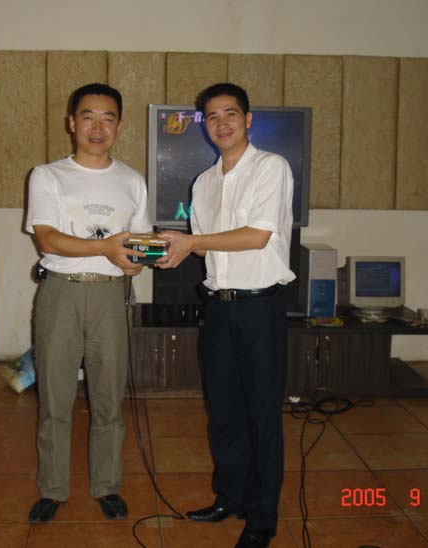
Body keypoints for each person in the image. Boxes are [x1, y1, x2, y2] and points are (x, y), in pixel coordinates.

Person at [157, 83, 295, 548]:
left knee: (262, 416)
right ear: (205, 125)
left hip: (260, 309)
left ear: (248, 119)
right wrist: (169, 250)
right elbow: (202, 250)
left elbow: (257, 236)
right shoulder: (203, 183)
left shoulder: (271, 167)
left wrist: (191, 242)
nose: (221, 123)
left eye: (230, 114)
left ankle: (262, 518)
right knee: (224, 413)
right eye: (212, 117)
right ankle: (229, 498)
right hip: (219, 309)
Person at [25, 83, 151, 523]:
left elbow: (137, 244)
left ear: (119, 125)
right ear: (71, 122)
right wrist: (108, 248)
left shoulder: (133, 181)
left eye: (108, 118)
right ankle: (53, 489)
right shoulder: (47, 175)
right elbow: (47, 238)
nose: (98, 127)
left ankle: (106, 486)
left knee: (108, 397)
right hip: (60, 292)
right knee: (55, 397)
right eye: (88, 116)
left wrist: (137, 260)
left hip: (110, 296)